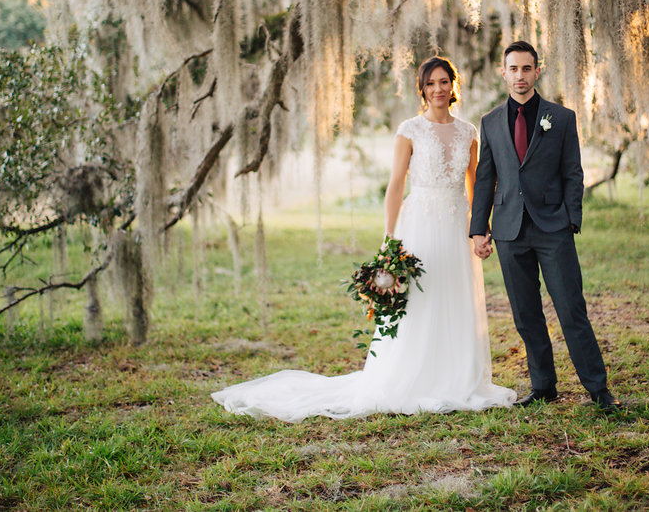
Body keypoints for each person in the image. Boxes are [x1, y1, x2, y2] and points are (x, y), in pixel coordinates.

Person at [212, 56, 516, 421]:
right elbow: (395, 185)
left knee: (455, 295)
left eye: (444, 81)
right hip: (419, 222)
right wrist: (389, 239)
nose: (438, 88)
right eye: (431, 83)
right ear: (422, 88)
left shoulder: (469, 132)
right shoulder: (410, 130)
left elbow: (477, 185)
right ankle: (414, 377)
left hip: (456, 224)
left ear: (454, 85)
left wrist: (480, 227)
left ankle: (457, 377)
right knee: (420, 300)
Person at [469, 40, 620, 413]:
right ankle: (543, 386)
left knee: (570, 309)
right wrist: (478, 228)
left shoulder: (562, 118)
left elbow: (573, 172)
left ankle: (598, 390)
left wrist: (571, 220)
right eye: (513, 69)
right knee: (526, 314)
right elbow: (485, 178)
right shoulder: (488, 122)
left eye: (526, 68)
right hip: (508, 230)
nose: (520, 76)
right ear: (503, 73)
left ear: (537, 71)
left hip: (553, 228)